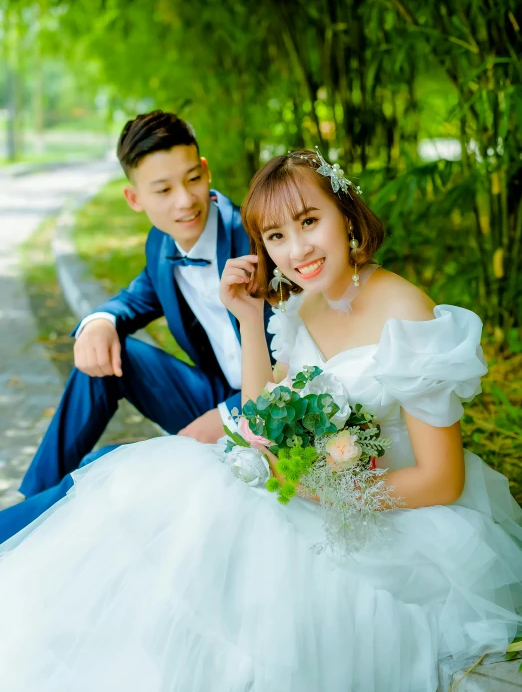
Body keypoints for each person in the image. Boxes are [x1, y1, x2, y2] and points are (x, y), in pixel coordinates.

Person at [0, 148, 521, 692]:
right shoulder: (304, 305)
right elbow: (262, 417)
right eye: (275, 237)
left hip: (392, 513)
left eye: (309, 222)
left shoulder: (407, 314)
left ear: (345, 213)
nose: (296, 251)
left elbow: (442, 479)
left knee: (214, 528)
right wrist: (251, 319)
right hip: (316, 486)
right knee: (169, 492)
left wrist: (326, 492)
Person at [0, 109, 273, 543]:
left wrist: (229, 415)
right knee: (111, 353)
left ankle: (21, 525)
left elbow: (308, 356)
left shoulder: (259, 237)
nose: (184, 200)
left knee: (111, 471)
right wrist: (100, 321)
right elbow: (136, 297)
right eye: (163, 189)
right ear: (135, 199)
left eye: (191, 179)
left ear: (205, 171)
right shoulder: (161, 244)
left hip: (272, 403)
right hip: (211, 397)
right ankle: (31, 503)